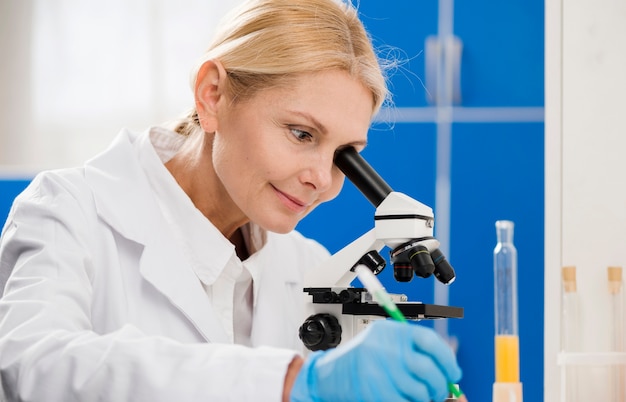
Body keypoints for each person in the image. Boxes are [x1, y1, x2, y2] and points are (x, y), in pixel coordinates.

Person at [0, 0, 463, 401]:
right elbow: (32, 367)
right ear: (213, 95)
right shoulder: (69, 213)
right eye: (301, 134)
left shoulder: (307, 266)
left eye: (346, 156)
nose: (321, 179)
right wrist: (289, 383)